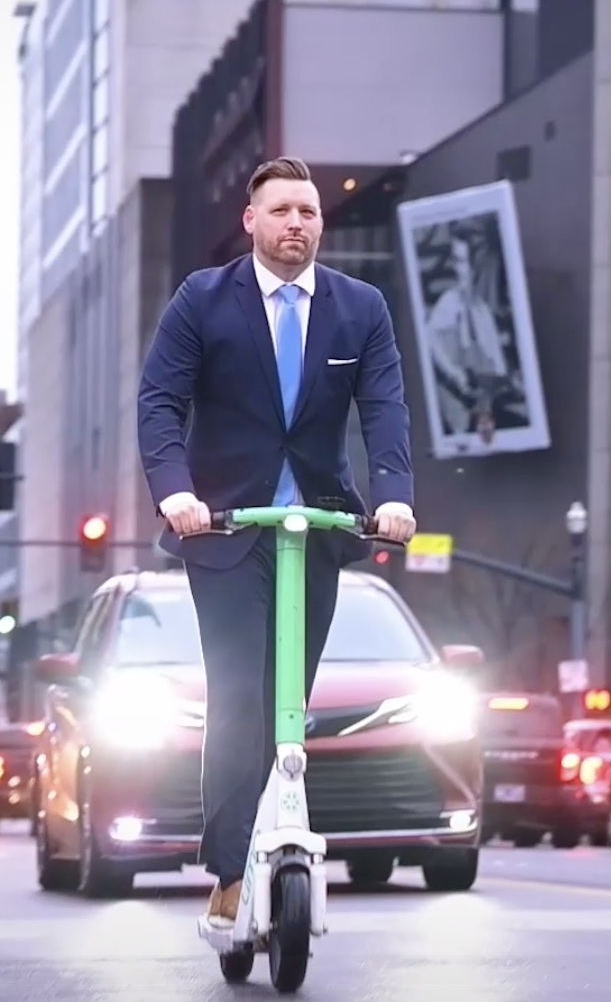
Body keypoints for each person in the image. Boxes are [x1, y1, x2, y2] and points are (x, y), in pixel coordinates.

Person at [137, 156, 417, 928]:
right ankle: (228, 869)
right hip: (226, 529)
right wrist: (177, 492)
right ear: (252, 221)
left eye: (310, 211)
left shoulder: (360, 307)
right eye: (283, 210)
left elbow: (384, 406)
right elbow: (160, 402)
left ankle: (280, 831)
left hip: (319, 526)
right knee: (239, 695)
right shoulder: (203, 299)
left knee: (287, 697)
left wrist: (392, 494)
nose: (299, 223)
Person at [424, 234, 511, 437]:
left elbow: (495, 364)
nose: (455, 268)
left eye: (461, 261)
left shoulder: (480, 310)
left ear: (474, 267)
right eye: (454, 260)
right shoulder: (448, 304)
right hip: (458, 406)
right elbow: (431, 342)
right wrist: (455, 374)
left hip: (481, 402)